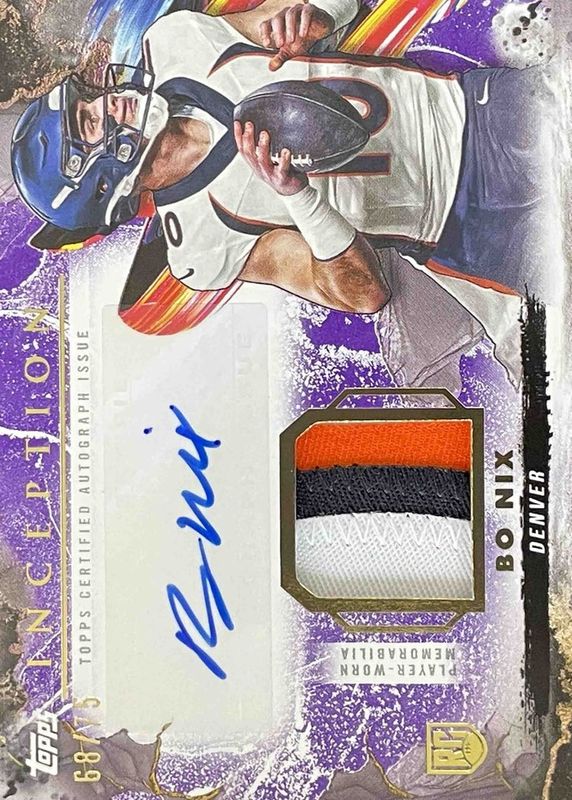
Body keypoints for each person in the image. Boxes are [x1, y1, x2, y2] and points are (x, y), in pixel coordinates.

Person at [11, 0, 556, 320]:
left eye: (91, 100)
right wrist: (299, 198)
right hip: (460, 227)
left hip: (474, 109)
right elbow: (364, 294)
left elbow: (335, 6)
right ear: (101, 184)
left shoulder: (175, 41)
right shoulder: (200, 248)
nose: (108, 103)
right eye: (90, 122)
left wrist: (312, 17)